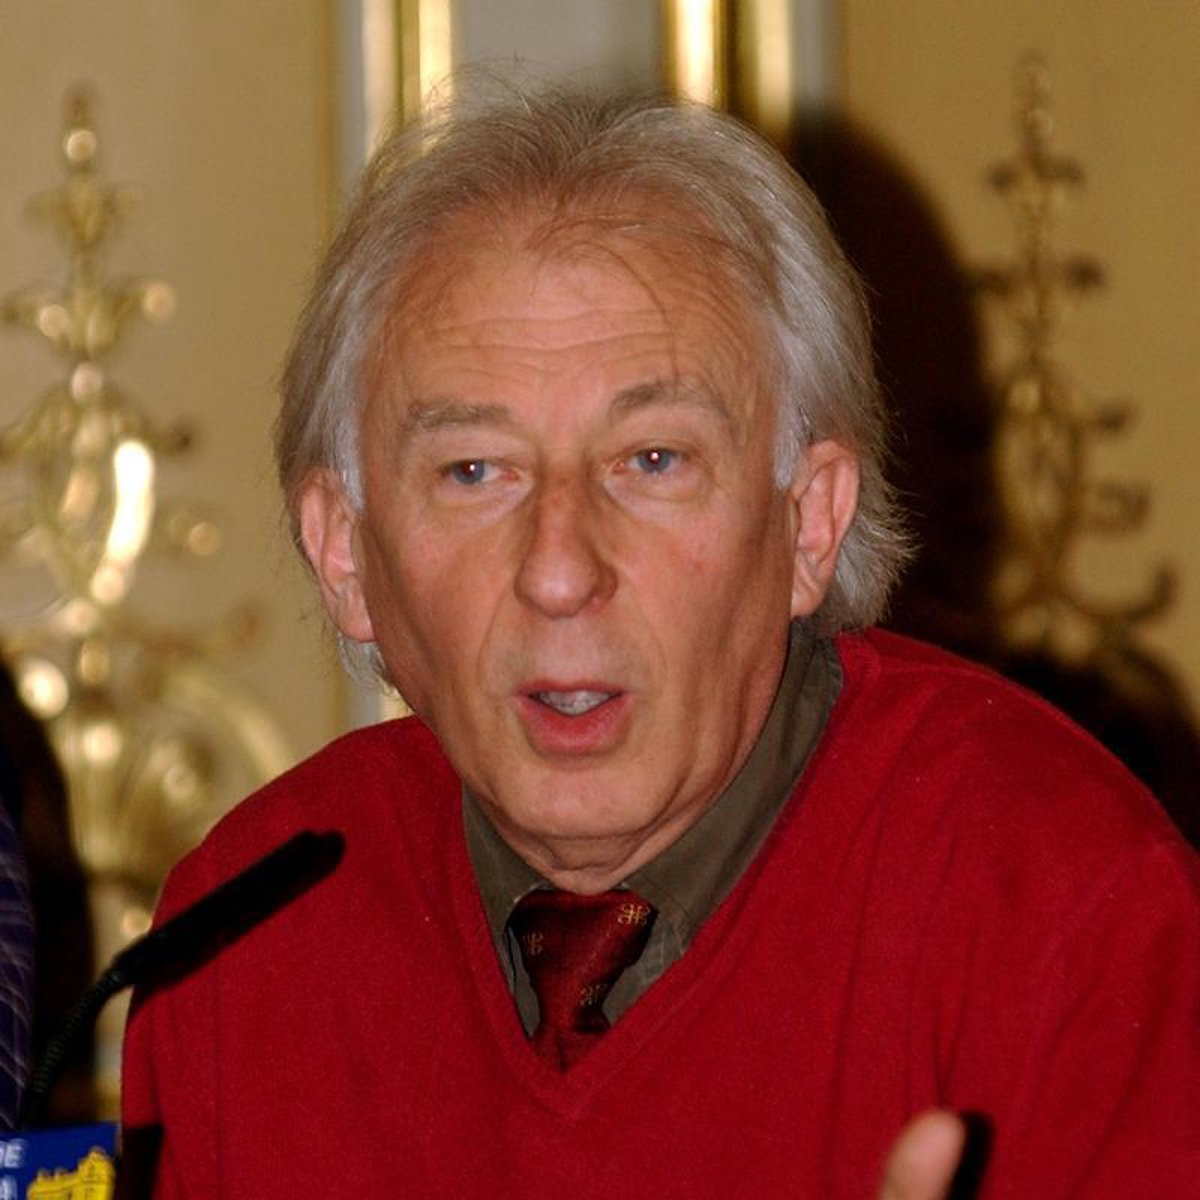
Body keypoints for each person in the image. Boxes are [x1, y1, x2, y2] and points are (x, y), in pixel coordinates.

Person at [121, 84, 1199, 1197]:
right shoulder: (244, 933)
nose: (559, 572)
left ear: (808, 522)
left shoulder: (1066, 909)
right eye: (474, 471)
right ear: (345, 554)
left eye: (653, 461)